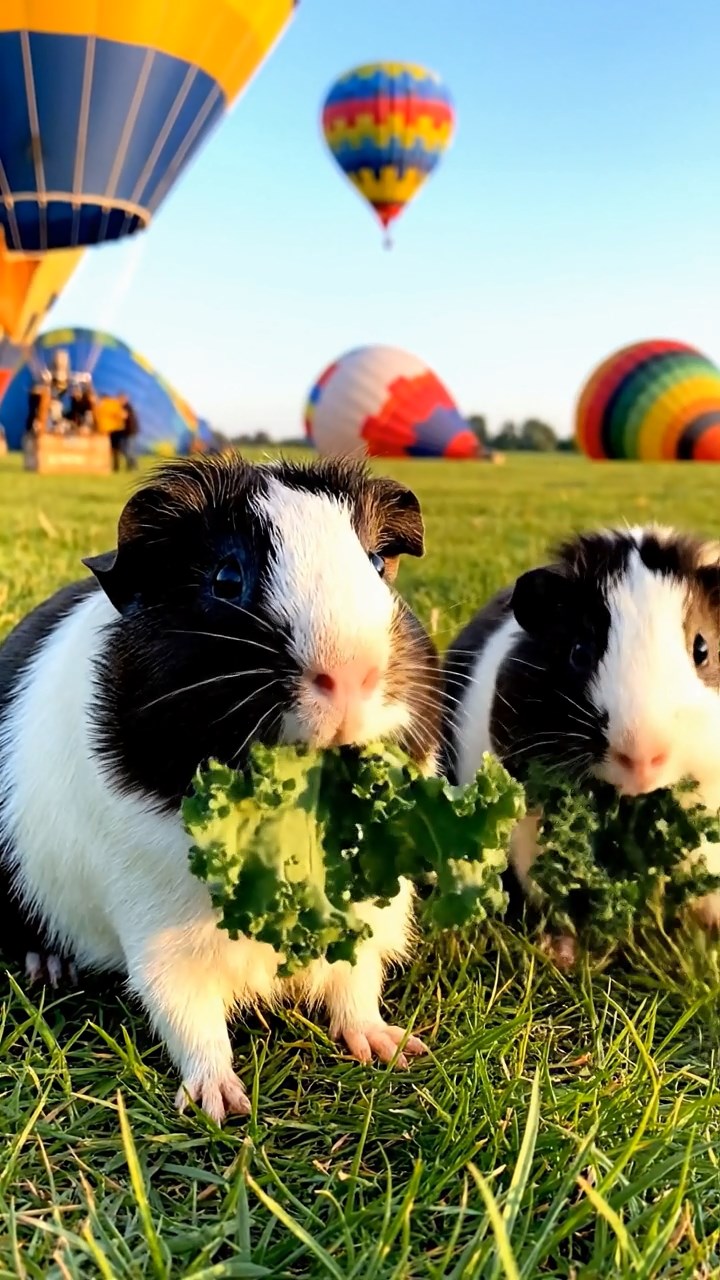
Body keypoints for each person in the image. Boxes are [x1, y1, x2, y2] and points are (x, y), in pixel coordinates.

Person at [109, 394, 139, 471]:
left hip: (130, 432)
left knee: (128, 450)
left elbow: (123, 416)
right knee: (126, 450)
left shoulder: (127, 407)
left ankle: (133, 466)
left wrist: (114, 415)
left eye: (119, 400)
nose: (118, 401)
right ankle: (131, 466)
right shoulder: (126, 407)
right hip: (127, 432)